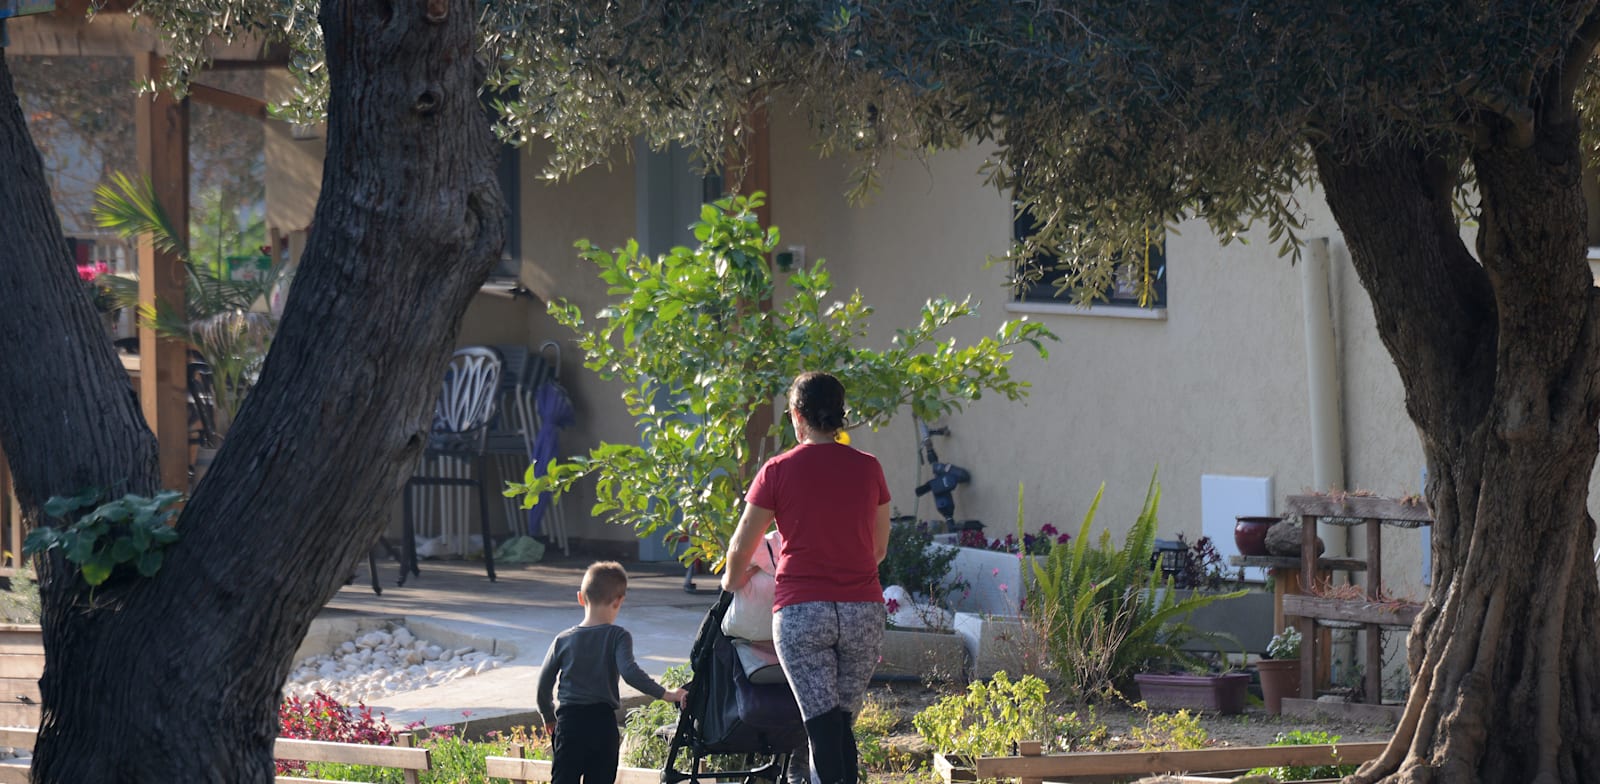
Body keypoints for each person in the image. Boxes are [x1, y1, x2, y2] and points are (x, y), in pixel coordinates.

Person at [722, 371, 892, 784]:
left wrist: (731, 582)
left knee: (823, 727)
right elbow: (878, 550)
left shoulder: (777, 470)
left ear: (797, 415)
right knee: (838, 726)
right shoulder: (869, 469)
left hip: (802, 614)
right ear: (840, 415)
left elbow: (741, 547)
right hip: (863, 614)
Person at [537, 561, 687, 784]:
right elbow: (630, 673)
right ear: (619, 601)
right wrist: (667, 694)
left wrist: (548, 715)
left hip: (570, 723)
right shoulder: (618, 636)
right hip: (602, 723)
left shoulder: (563, 640)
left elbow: (544, 683)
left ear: (580, 597)